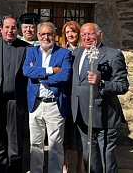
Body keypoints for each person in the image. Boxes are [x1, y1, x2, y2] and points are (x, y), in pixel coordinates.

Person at [71, 23, 129, 173]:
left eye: (90, 34)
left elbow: (122, 85)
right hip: (82, 115)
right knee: (90, 158)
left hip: (104, 116)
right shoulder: (76, 53)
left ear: (100, 35)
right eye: (83, 35)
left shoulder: (112, 54)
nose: (87, 38)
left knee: (106, 160)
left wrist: (101, 83)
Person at [23, 22, 72, 173]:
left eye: (49, 34)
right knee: (35, 144)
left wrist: (41, 77)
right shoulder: (32, 52)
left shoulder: (64, 53)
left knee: (55, 144)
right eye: (42, 34)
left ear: (54, 35)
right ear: (38, 36)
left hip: (54, 105)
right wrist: (51, 70)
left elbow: (65, 75)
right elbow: (26, 70)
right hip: (36, 103)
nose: (46, 37)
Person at [0, 15, 29, 173]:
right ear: (0, 29)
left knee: (15, 142)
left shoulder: (26, 48)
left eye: (13, 27)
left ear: (18, 29)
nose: (10, 31)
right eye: (7, 27)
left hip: (16, 101)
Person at [62, 21, 84, 173]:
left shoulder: (85, 51)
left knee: (80, 133)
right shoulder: (61, 51)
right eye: (67, 32)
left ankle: (80, 165)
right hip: (65, 96)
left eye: (73, 32)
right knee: (63, 132)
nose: (70, 35)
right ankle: (64, 164)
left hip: (80, 98)